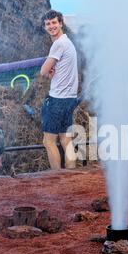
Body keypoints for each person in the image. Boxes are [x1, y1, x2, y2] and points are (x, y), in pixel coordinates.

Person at [40, 10, 78, 170]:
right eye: (48, 24)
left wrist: (48, 70)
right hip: (70, 98)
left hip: (58, 99)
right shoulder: (67, 42)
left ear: (61, 23)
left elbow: (43, 71)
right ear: (45, 27)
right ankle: (71, 176)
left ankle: (56, 178)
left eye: (54, 22)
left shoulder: (59, 44)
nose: (51, 26)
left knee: (48, 141)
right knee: (65, 139)